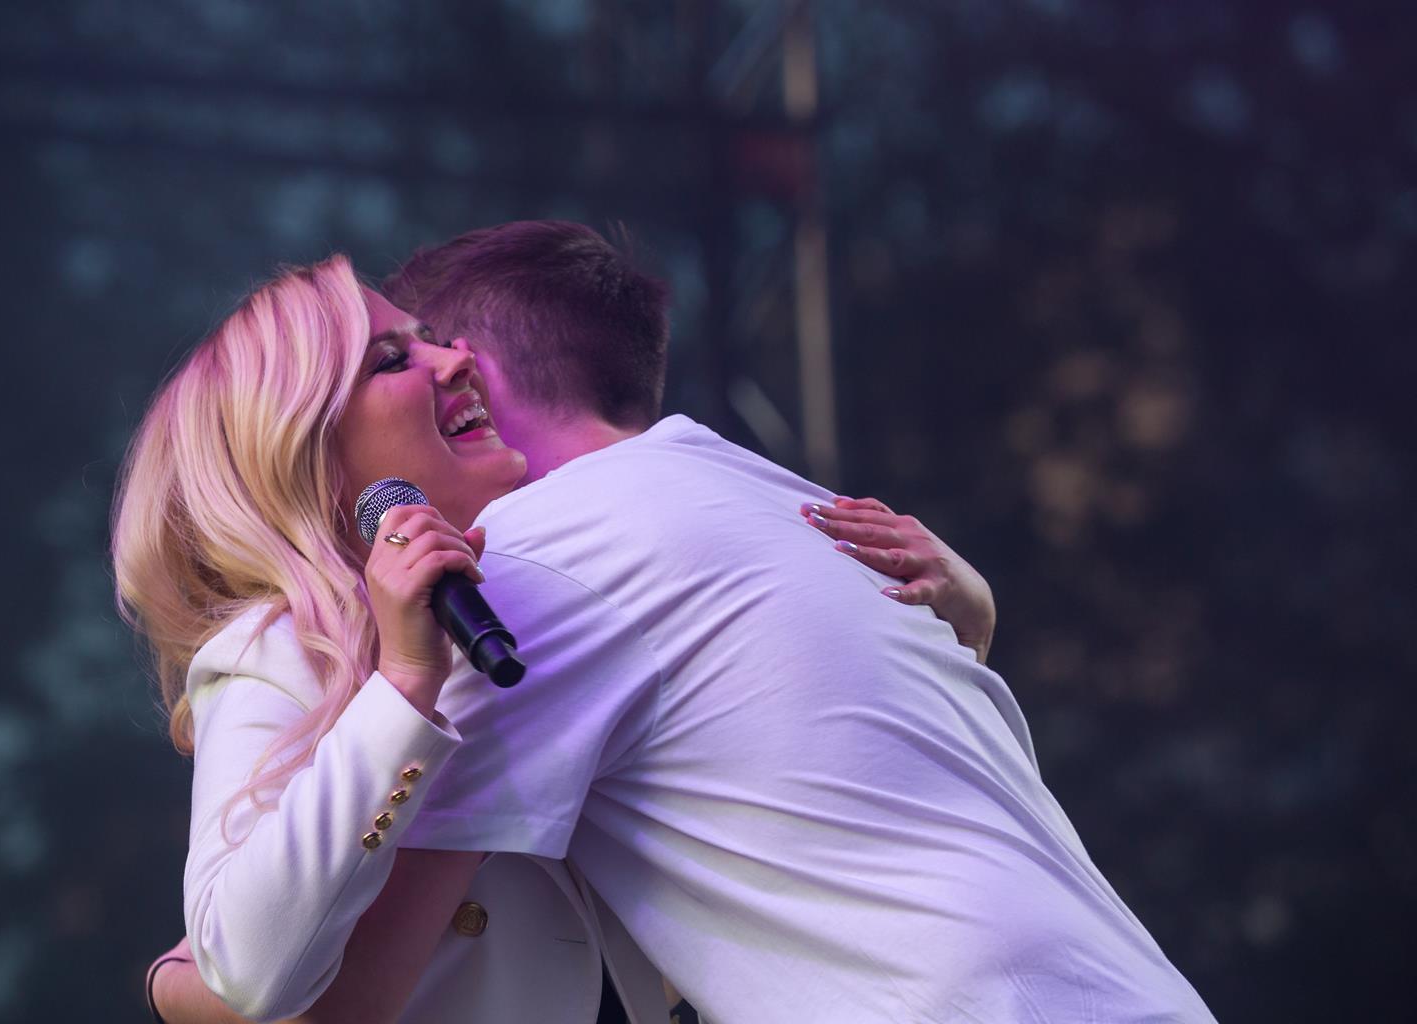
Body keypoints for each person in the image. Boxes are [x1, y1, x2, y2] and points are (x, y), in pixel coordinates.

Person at [294, 221, 1214, 1022]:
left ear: (472, 378)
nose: (432, 371)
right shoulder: (782, 502)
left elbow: (345, 999)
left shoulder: (531, 563)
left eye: (418, 353)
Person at [120, 252, 997, 1024]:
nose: (456, 359)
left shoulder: (552, 602)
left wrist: (951, 628)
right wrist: (404, 687)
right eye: (394, 359)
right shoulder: (275, 650)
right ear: (303, 449)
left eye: (435, 339)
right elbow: (247, 968)